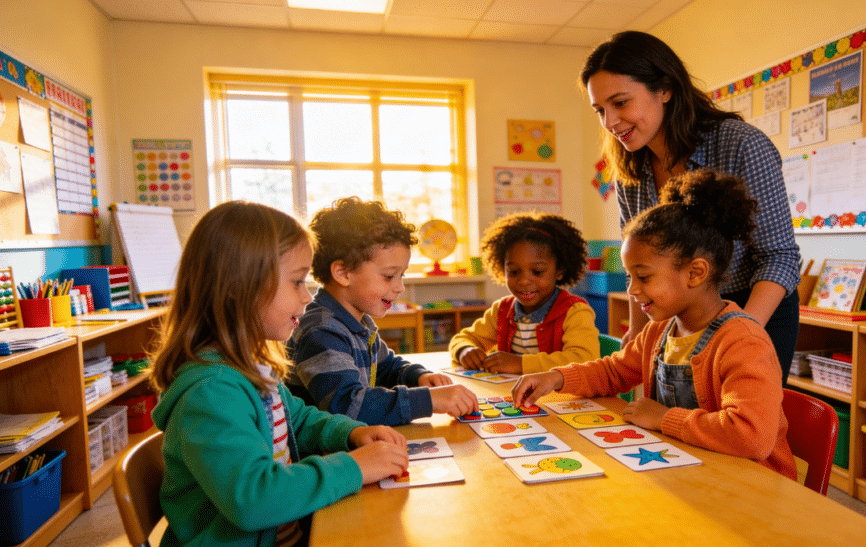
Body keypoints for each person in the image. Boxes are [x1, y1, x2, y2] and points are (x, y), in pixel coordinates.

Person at [149, 201, 409, 547]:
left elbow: (297, 419)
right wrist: (352, 467)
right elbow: (254, 498)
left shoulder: (251, 365)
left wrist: (351, 432)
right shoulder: (211, 391)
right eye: (297, 281)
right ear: (239, 286)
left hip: (283, 546)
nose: (307, 296)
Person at [512, 170, 796, 480]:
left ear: (695, 272)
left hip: (751, 487)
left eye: (643, 277)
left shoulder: (743, 342)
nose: (632, 290)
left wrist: (664, 419)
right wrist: (556, 378)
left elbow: (751, 435)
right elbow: (613, 372)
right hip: (687, 470)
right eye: (629, 277)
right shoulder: (659, 331)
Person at [582, 30, 801, 383]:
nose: (610, 122)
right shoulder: (628, 171)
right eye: (600, 110)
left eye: (620, 103)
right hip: (678, 307)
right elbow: (640, 263)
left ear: (665, 89)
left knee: (740, 423)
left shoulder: (740, 144)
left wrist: (737, 332)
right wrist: (639, 335)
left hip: (753, 305)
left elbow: (779, 257)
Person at [286, 196, 478, 426]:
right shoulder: (321, 331)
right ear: (344, 273)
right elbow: (348, 407)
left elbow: (386, 367)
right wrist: (428, 400)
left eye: (401, 275)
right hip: (321, 455)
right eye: (389, 276)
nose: (399, 287)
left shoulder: (357, 321)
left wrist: (419, 377)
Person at [449, 211, 599, 375]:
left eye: (537, 271)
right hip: (513, 396)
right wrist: (464, 350)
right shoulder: (502, 310)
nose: (524, 281)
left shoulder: (574, 311)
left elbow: (584, 359)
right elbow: (464, 338)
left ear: (559, 271)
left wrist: (521, 363)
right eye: (513, 272)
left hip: (560, 398)